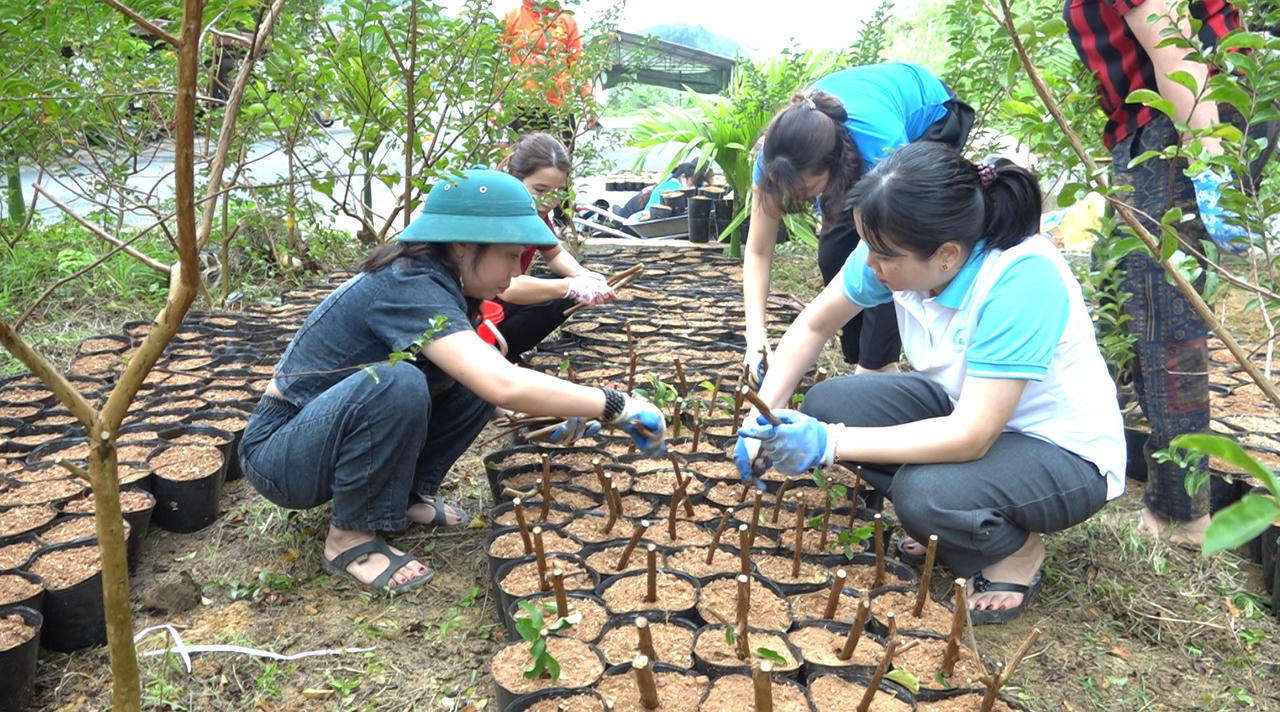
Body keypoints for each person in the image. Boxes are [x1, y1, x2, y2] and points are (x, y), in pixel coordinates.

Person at [734, 142, 1125, 623]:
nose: (870, 265)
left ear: (947, 255)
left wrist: (828, 444)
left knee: (924, 493)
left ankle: (1015, 550)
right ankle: (961, 511)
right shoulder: (896, 244)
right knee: (831, 401)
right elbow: (815, 325)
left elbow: (972, 435)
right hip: (970, 406)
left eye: (884, 256)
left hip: (1059, 450)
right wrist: (761, 415)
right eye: (869, 248)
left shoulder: (1021, 279)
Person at [239, 168, 665, 594]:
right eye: (509, 255)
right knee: (398, 382)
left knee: (476, 369)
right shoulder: (409, 282)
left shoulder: (444, 281)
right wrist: (616, 405)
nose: (518, 270)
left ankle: (406, 496)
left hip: (321, 433)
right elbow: (505, 384)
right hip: (281, 453)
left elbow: (494, 388)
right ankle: (349, 536)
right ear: (462, 245)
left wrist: (555, 409)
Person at [1065, 0, 1279, 544]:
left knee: (1164, 319)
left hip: (1182, 123)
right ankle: (1082, 451)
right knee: (1115, 286)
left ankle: (1182, 516)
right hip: (1153, 130)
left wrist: (1208, 163)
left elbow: (1171, 42)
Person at [743, 62, 975, 383]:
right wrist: (755, 337)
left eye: (808, 190)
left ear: (833, 165)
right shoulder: (776, 158)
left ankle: (877, 366)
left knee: (889, 257)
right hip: (856, 142)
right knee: (833, 254)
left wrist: (873, 361)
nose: (801, 198)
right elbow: (757, 251)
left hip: (934, 117)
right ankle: (859, 360)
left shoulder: (878, 139)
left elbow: (893, 242)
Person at [490, 133, 617, 361]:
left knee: (561, 296)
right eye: (540, 190)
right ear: (515, 178)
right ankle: (492, 355)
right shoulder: (498, 215)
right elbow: (505, 287)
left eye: (557, 192)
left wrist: (586, 276)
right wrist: (570, 286)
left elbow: (554, 253)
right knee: (560, 293)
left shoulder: (537, 215)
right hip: (478, 302)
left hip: (498, 294)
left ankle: (506, 353)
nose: (549, 200)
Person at [501, 0, 593, 150]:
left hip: (560, 109)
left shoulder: (567, 20)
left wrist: (589, 104)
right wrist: (494, 103)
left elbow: (578, 65)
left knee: (561, 164)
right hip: (522, 108)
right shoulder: (512, 17)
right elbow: (496, 62)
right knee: (523, 166)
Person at [615, 162, 713, 222]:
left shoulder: (669, 180)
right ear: (683, 177)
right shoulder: (673, 187)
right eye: (693, 182)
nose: (694, 186)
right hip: (649, 217)